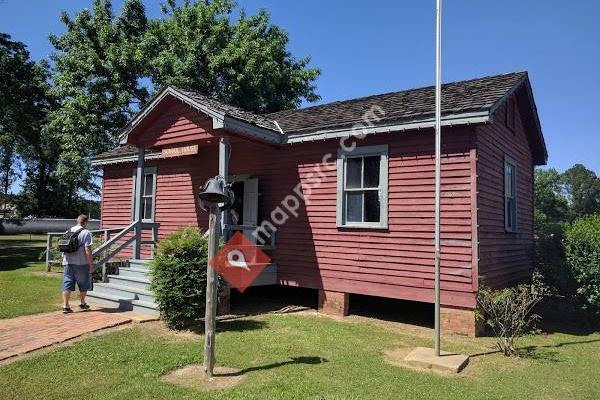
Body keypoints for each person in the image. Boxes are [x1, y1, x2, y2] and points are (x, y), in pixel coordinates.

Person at [61, 214, 94, 313]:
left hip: (68, 262)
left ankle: (65, 306)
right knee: (83, 284)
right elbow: (87, 249)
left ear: (77, 221)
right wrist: (91, 265)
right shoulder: (86, 232)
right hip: (81, 263)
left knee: (67, 283)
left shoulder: (68, 231)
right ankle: (82, 303)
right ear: (86, 222)